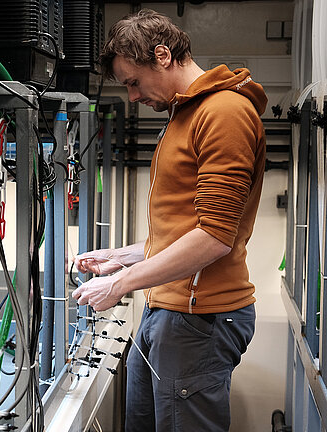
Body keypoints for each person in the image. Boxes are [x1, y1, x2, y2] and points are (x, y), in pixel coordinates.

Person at [70, 9, 267, 432]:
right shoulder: (185, 115)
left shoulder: (224, 113)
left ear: (162, 55)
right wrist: (119, 257)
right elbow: (184, 231)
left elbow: (214, 236)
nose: (133, 97)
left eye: (133, 83)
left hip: (197, 321)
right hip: (169, 313)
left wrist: (120, 284)